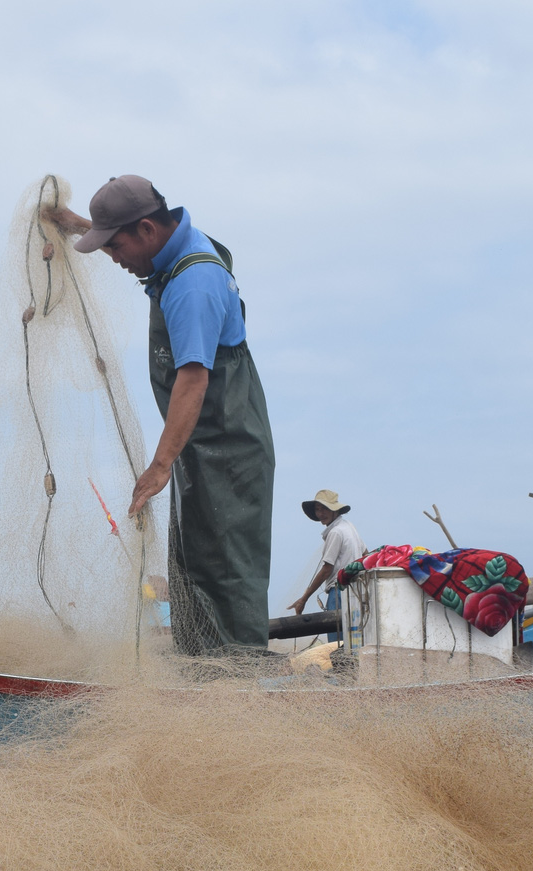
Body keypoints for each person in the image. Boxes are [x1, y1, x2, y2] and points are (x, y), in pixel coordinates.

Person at [52, 176, 275, 657]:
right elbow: (128, 235)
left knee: (224, 571)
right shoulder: (176, 244)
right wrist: (75, 225)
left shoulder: (192, 284)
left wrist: (159, 466)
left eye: (115, 248)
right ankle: (204, 676)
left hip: (227, 447)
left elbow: (192, 381)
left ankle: (237, 686)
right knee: (195, 566)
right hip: (201, 445)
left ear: (149, 229)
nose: (115, 259)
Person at [287, 490, 367, 642]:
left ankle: (341, 666)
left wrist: (303, 599)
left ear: (335, 510)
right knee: (354, 640)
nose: (321, 513)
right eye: (318, 509)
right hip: (355, 591)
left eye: (325, 508)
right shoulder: (348, 527)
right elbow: (366, 555)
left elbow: (326, 570)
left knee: (337, 643)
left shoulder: (336, 532)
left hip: (339, 592)